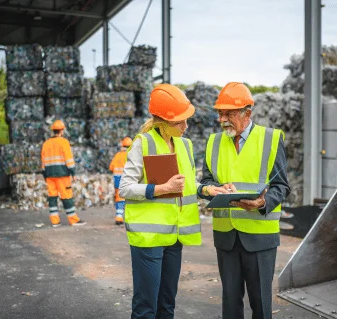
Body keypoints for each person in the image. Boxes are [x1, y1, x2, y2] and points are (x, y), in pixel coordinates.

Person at [119, 84, 229, 319]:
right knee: (145, 306)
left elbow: (188, 185)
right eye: (180, 121)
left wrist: (210, 189)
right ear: (163, 121)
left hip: (174, 236)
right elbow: (125, 188)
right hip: (148, 239)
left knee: (167, 305)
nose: (186, 126)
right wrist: (161, 189)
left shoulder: (185, 145)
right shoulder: (143, 143)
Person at [200, 82, 290, 319]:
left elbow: (281, 186)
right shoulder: (213, 142)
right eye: (220, 113)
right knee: (230, 302)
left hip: (260, 237)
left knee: (261, 302)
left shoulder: (270, 139)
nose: (222, 119)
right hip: (226, 235)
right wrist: (213, 190)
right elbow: (205, 181)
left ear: (247, 112)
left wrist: (262, 203)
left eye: (228, 113)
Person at [41, 119, 86, 227]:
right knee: (67, 196)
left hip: (49, 175)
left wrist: (44, 174)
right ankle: (73, 220)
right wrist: (73, 173)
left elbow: (43, 160)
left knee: (52, 197)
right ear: (62, 130)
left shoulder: (46, 143)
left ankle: (55, 221)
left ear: (53, 131)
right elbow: (69, 159)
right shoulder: (64, 142)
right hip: (62, 175)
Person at [109, 136, 133, 225]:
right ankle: (129, 218)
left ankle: (119, 217)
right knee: (130, 200)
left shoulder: (117, 155)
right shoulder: (131, 155)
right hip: (128, 181)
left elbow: (111, 167)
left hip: (117, 180)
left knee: (119, 199)